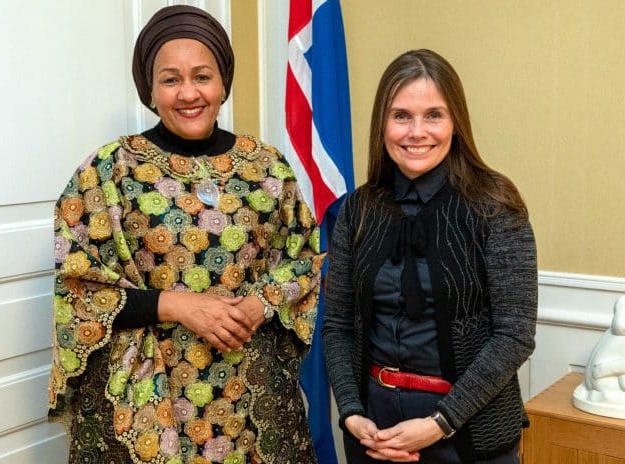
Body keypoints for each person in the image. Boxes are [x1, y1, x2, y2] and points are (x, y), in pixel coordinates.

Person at [47, 6, 322, 463]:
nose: (189, 93)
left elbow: (306, 255)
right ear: (149, 90)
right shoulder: (110, 171)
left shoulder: (267, 166)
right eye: (171, 79)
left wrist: (260, 303)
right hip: (150, 401)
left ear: (223, 84)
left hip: (251, 401)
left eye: (202, 76)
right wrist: (177, 304)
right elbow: (77, 286)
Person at [322, 49, 537, 463]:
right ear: (382, 125)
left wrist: (440, 422)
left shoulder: (496, 206)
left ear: (456, 122)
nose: (416, 131)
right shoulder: (357, 210)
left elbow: (514, 335)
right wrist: (351, 412)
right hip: (374, 431)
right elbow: (338, 325)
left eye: (433, 115)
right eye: (401, 115)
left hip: (470, 432)